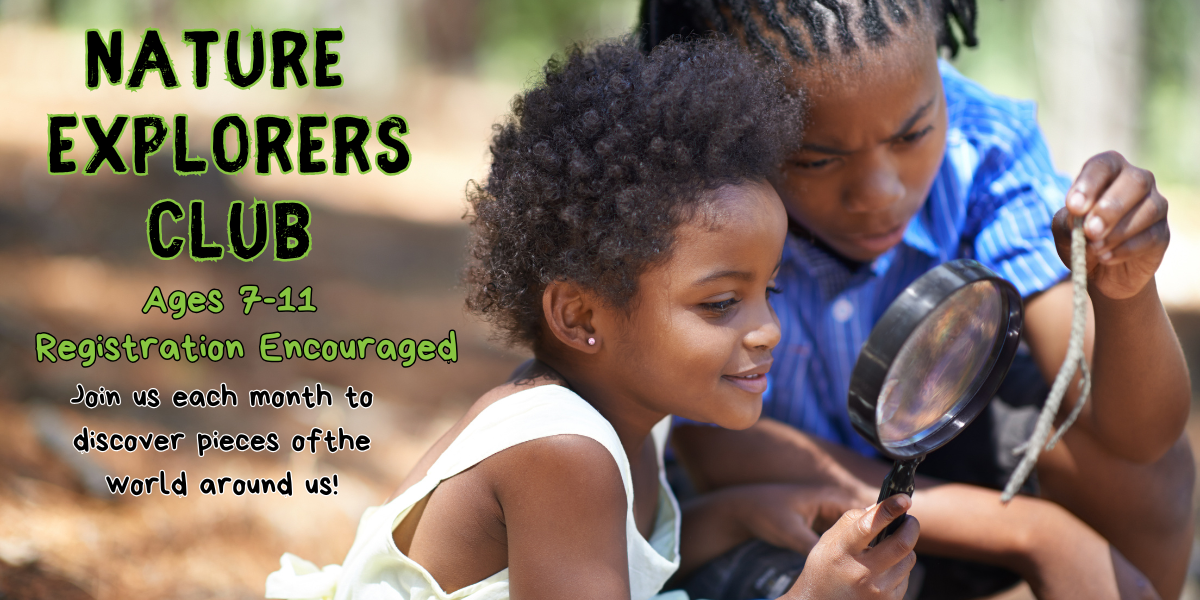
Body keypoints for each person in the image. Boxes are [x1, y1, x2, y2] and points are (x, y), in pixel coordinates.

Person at [264, 37, 921, 600]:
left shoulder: (623, 412)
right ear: (580, 315)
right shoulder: (561, 449)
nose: (767, 329)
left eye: (770, 292)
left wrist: (737, 514)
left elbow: (612, 561)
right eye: (720, 303)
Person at [637, 1, 1194, 599]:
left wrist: (1126, 293)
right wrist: (1033, 532)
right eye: (817, 159)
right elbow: (717, 449)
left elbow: (1139, 439)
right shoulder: (695, 190)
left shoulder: (984, 146)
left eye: (914, 133)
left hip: (951, 471)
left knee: (1143, 480)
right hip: (772, 508)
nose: (880, 192)